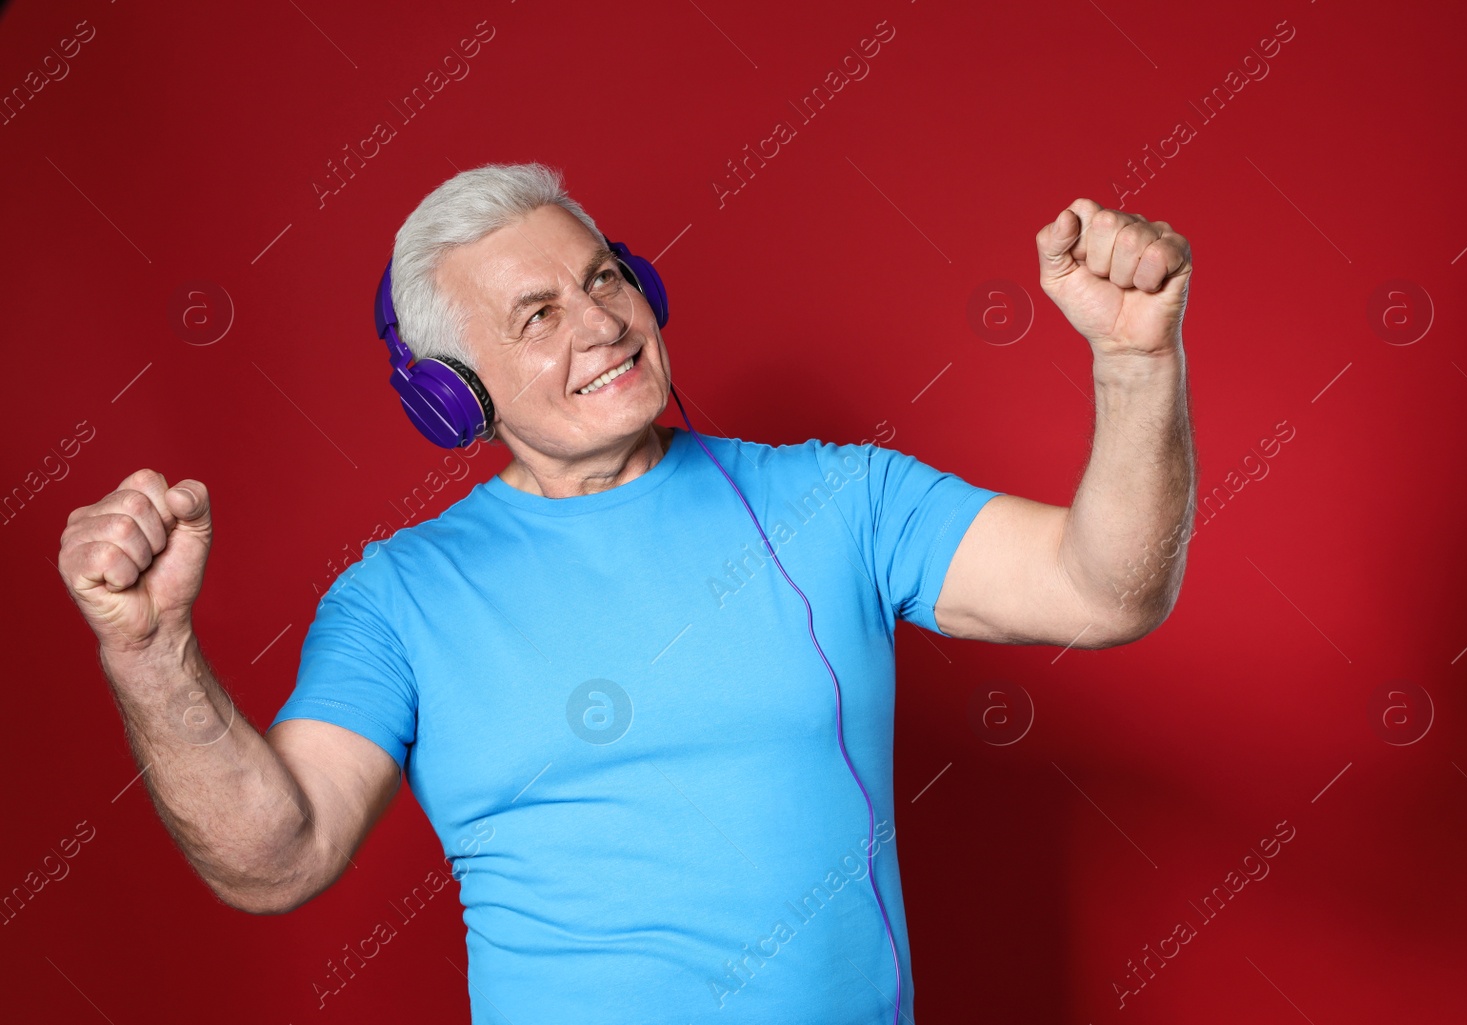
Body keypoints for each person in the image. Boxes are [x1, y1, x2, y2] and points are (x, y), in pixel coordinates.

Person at [56, 161, 1196, 1023]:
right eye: (537, 316)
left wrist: (1135, 363)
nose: (601, 321)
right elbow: (278, 857)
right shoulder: (397, 595)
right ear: (450, 395)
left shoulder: (837, 496)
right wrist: (152, 651)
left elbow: (1105, 591)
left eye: (602, 276)